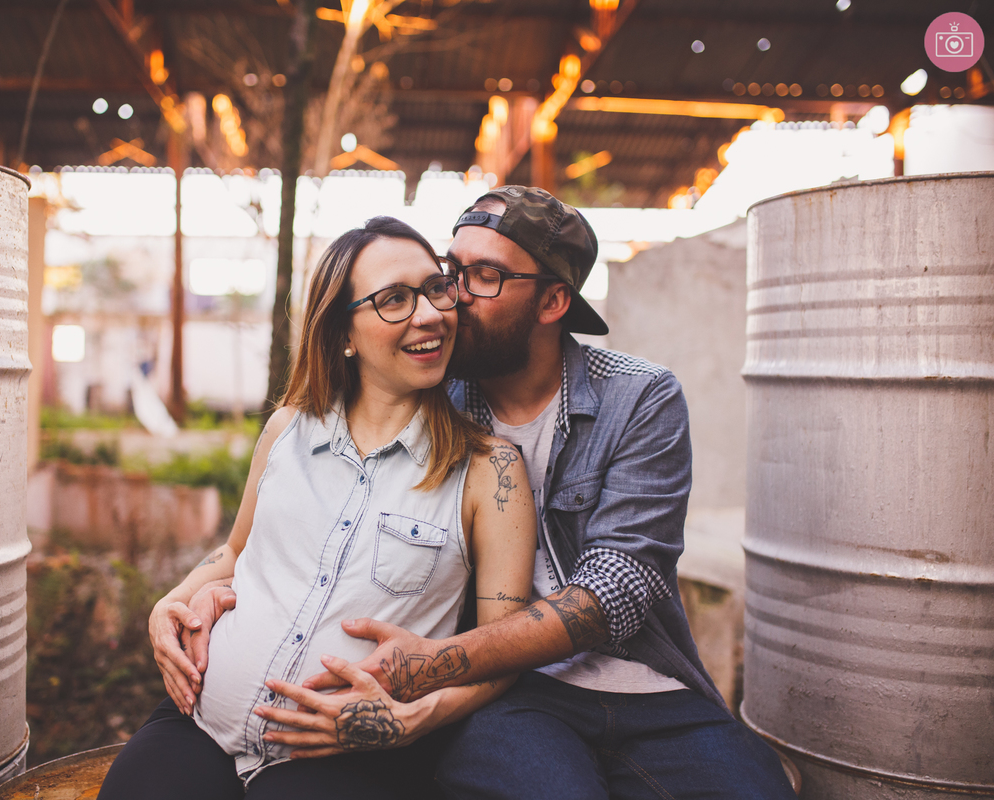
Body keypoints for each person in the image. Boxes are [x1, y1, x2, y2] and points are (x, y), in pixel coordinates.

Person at [282, 186, 799, 799]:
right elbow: (317, 511)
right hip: (509, 690)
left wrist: (430, 664)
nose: (453, 299)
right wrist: (201, 592)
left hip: (644, 684)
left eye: (486, 276)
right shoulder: (429, 397)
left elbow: (618, 591)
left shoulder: (638, 398)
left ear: (554, 300)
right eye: (452, 272)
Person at [99, 216, 537, 800]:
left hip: (349, 759)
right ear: (343, 334)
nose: (431, 313)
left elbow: (499, 652)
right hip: (202, 722)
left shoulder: (491, 470)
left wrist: (417, 720)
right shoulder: (286, 429)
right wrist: (169, 604)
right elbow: (235, 551)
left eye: (436, 289)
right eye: (395, 300)